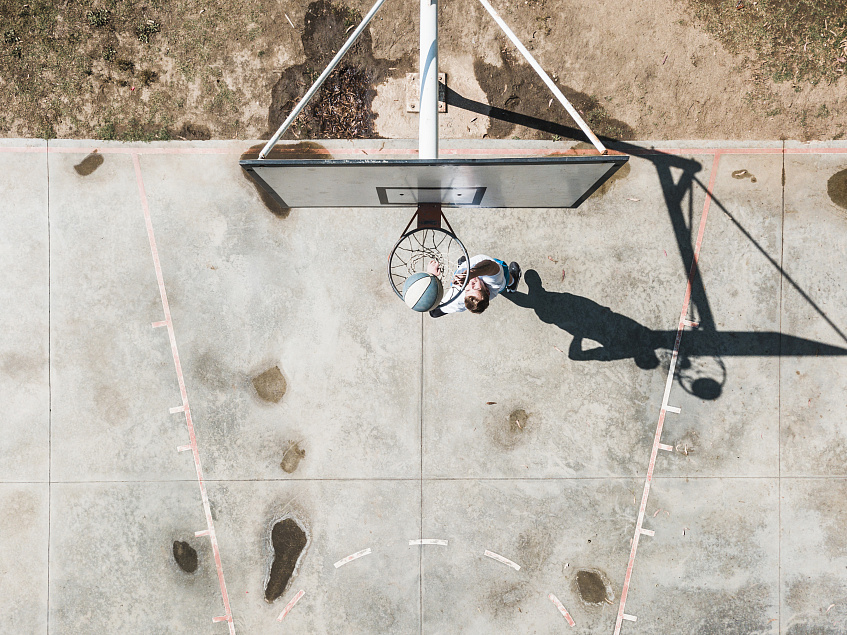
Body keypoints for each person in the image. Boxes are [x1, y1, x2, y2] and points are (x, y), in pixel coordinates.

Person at [427, 255, 521, 317]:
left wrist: (431, 277)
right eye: (476, 287)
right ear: (487, 291)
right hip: (497, 276)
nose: (470, 284)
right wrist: (469, 274)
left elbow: (434, 313)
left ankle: (463, 266)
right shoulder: (494, 282)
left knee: (459, 276)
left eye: (467, 290)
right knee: (506, 277)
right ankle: (513, 284)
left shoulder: (457, 299)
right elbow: (490, 265)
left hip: (468, 271)